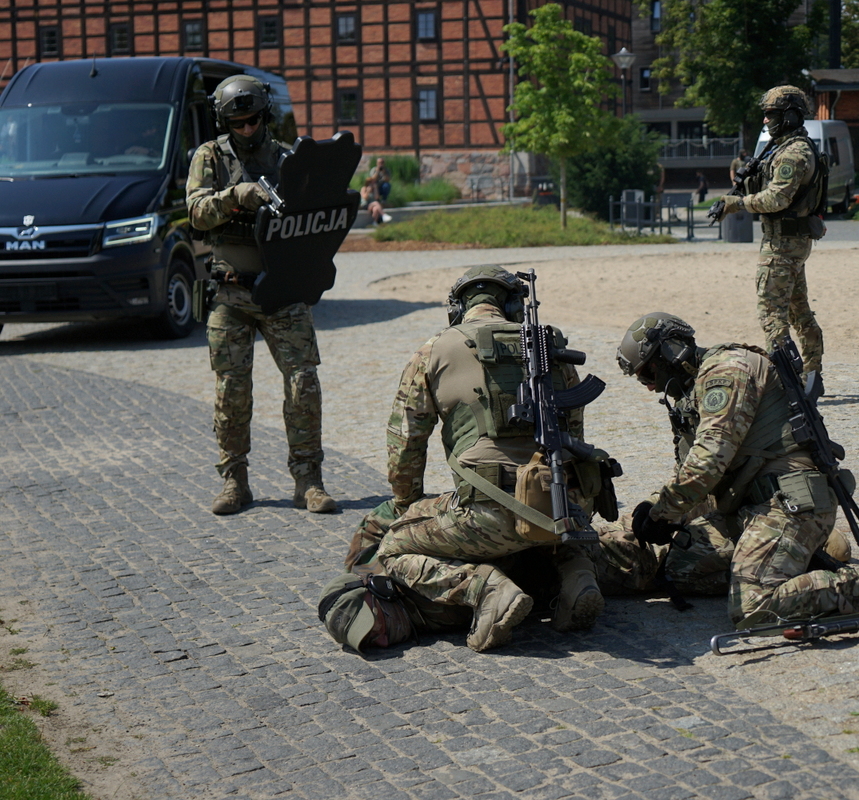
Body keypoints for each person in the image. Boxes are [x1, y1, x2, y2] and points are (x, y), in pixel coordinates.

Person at [615, 312, 859, 628]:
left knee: (752, 606)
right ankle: (793, 562)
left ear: (671, 353)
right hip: (748, 509)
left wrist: (662, 512)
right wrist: (654, 508)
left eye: (648, 375)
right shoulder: (694, 391)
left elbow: (709, 460)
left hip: (790, 505)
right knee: (679, 567)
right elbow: (695, 475)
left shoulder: (728, 370)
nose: (650, 387)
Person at [370, 265, 615, 652]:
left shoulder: (432, 351)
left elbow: (405, 444)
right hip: (563, 505)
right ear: (514, 305)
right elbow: (574, 435)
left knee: (392, 548)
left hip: (489, 511)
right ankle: (578, 575)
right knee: (553, 513)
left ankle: (486, 590)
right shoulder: (550, 347)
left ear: (457, 308)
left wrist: (407, 504)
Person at [187, 74, 338, 516]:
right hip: (231, 293)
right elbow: (196, 212)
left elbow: (315, 221)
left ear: (264, 115)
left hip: (283, 292)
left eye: (254, 120)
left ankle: (308, 481)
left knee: (304, 384)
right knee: (231, 391)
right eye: (239, 123)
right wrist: (237, 196)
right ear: (224, 122)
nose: (248, 128)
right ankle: (234, 481)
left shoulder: (287, 159)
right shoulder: (211, 156)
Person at [712, 86, 826, 380]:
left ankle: (788, 381)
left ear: (789, 116)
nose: (765, 120)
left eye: (771, 114)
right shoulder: (789, 147)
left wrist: (737, 204)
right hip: (791, 242)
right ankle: (812, 373)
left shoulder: (793, 153)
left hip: (782, 245)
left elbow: (777, 199)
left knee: (771, 314)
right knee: (799, 311)